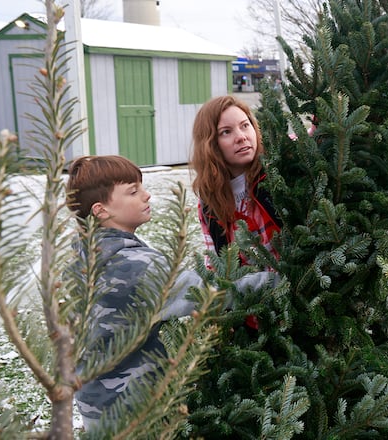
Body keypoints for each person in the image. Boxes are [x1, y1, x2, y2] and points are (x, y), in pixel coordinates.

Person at [65, 155, 272, 431]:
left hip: (94, 407)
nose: (146, 195)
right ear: (101, 210)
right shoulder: (136, 267)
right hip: (138, 409)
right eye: (133, 191)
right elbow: (213, 293)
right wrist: (279, 278)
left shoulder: (80, 259)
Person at [190, 95, 282, 267]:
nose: (241, 137)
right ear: (210, 144)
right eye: (226, 131)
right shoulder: (210, 204)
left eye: (245, 126)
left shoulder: (277, 172)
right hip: (249, 291)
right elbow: (215, 264)